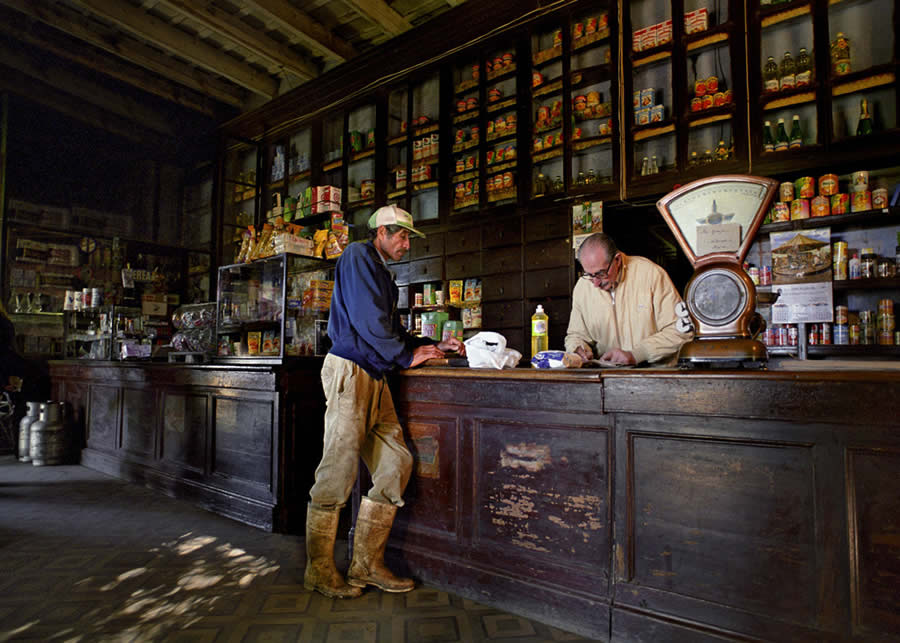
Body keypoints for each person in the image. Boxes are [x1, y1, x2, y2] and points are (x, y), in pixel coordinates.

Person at [304, 204, 466, 599]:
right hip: (350, 372)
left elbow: (388, 328)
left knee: (396, 464)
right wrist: (408, 356)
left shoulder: (379, 271)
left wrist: (431, 345)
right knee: (337, 471)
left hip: (374, 375)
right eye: (402, 235)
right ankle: (319, 570)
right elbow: (370, 323)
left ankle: (365, 565)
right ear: (381, 232)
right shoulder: (359, 255)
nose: (406, 244)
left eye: (409, 237)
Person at [565, 233, 691, 366]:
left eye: (601, 274)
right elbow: (576, 334)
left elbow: (681, 331)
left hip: (653, 376)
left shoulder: (651, 275)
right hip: (606, 378)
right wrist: (578, 349)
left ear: (617, 260)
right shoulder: (582, 288)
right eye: (589, 275)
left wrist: (637, 354)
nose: (595, 283)